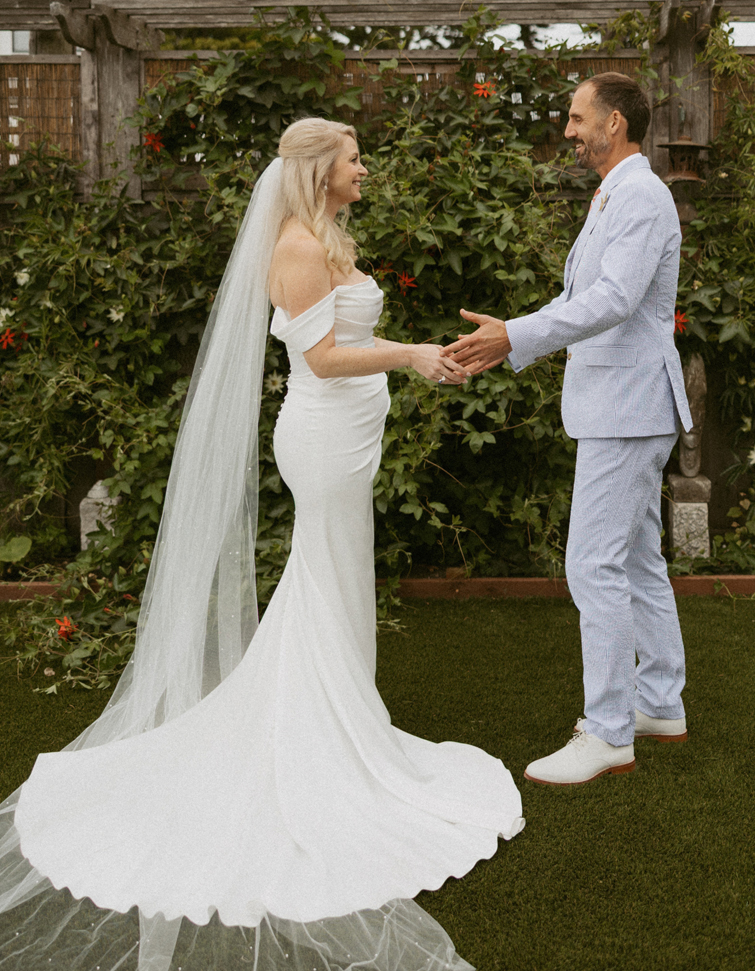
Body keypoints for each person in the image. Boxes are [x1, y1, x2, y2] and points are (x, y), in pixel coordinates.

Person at [0, 118, 523, 971]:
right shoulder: (298, 248)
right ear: (320, 170)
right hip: (323, 440)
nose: (365, 169)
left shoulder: (326, 236)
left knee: (336, 578)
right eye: (354, 159)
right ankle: (321, 741)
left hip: (351, 439)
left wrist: (414, 361)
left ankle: (345, 721)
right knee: (324, 578)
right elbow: (321, 359)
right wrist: (413, 355)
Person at [446, 73, 693, 786]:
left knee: (593, 564)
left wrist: (515, 335)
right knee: (636, 560)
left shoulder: (639, 195)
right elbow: (577, 296)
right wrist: (510, 340)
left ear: (615, 122)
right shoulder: (617, 193)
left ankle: (609, 732)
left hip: (628, 408)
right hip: (622, 405)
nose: (568, 130)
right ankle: (659, 705)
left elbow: (614, 299)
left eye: (578, 117)